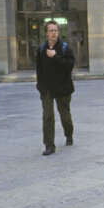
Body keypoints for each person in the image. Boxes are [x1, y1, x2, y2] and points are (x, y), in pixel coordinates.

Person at [36, 20, 75, 156]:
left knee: (64, 114)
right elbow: (39, 70)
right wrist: (40, 85)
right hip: (47, 88)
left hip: (63, 87)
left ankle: (68, 134)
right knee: (47, 116)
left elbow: (69, 66)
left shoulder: (65, 48)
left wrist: (56, 57)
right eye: (51, 30)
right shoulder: (41, 50)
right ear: (46, 33)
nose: (54, 33)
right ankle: (49, 145)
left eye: (56, 30)